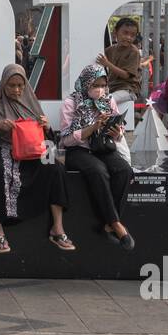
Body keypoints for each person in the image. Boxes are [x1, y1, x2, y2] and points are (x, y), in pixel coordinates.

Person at [0, 64, 70, 254]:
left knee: (55, 167)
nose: (16, 90)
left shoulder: (30, 102)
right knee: (0, 170)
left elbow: (49, 142)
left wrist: (47, 127)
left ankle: (57, 227)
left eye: (20, 86)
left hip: (30, 151)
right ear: (3, 85)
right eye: (11, 85)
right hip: (0, 148)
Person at [60, 65, 135, 249]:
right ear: (86, 83)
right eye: (95, 84)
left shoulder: (108, 100)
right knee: (98, 171)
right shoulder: (71, 103)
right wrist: (92, 128)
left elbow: (119, 127)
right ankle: (116, 224)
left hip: (103, 147)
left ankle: (108, 224)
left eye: (103, 84)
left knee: (124, 170)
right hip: (79, 150)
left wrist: (117, 131)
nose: (100, 89)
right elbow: (66, 140)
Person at [98, 16, 144, 126]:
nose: (128, 37)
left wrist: (107, 64)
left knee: (106, 102)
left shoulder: (134, 52)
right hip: (112, 88)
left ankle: (114, 124)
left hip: (129, 90)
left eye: (132, 35)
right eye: (125, 33)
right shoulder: (111, 50)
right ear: (116, 32)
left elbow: (126, 75)